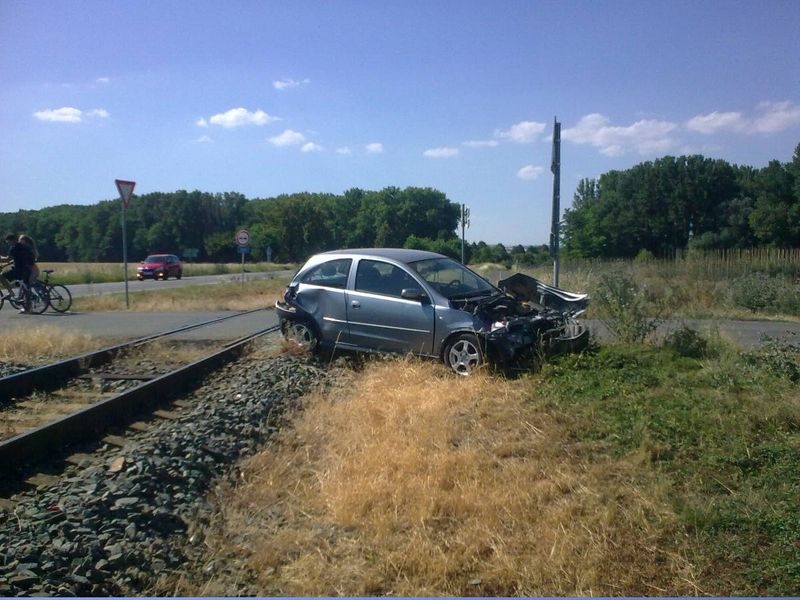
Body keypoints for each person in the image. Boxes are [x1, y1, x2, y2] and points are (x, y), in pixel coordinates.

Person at [0, 233, 35, 312]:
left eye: (9, 242)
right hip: (27, 269)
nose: (9, 243)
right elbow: (16, 259)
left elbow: (7, 259)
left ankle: (11, 292)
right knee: (25, 287)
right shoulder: (24, 246)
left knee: (1, 276)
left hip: (18, 269)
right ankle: (28, 308)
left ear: (13, 240)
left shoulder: (14, 247)